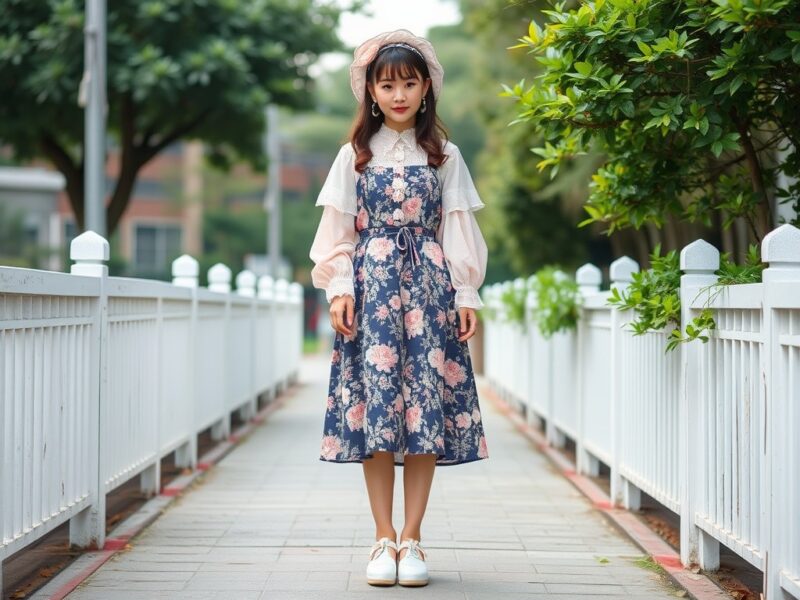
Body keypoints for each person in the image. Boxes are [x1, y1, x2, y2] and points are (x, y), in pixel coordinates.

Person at [308, 29, 489, 587]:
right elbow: (335, 232)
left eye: (409, 82)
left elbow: (458, 229)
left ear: (426, 87)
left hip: (430, 291)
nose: (399, 94)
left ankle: (413, 538)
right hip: (373, 292)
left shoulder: (445, 155)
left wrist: (465, 292)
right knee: (379, 412)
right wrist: (340, 288)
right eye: (387, 84)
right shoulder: (354, 156)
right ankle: (381, 538)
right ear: (370, 91)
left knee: (425, 412)